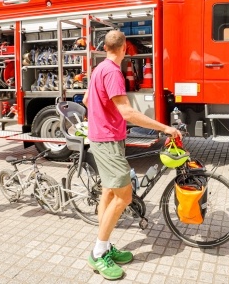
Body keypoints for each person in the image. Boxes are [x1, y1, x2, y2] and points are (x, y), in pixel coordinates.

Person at [83, 29, 182, 280]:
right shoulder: (114, 72)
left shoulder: (98, 69)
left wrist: (103, 115)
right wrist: (165, 127)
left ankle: (103, 246)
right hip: (108, 141)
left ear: (105, 47)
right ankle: (97, 254)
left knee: (108, 192)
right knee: (124, 197)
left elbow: (86, 99)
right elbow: (127, 113)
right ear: (125, 49)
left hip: (100, 138)